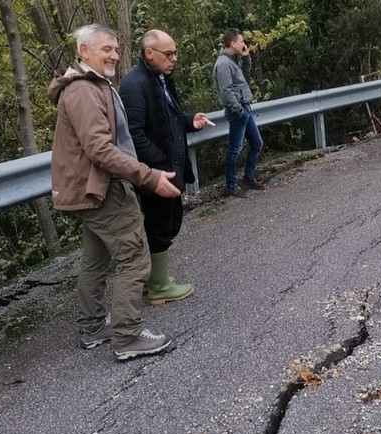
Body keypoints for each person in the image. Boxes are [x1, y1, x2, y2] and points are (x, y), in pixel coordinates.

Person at [48, 24, 177, 360]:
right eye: (106, 49)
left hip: (91, 190)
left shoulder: (92, 85)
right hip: (102, 189)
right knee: (134, 257)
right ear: (84, 51)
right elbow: (100, 149)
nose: (114, 56)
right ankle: (128, 336)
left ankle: (92, 327)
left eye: (117, 49)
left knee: (96, 259)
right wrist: (147, 176)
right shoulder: (82, 91)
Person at [119, 29, 212, 305]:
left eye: (175, 53)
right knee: (159, 226)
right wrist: (158, 163)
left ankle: (155, 279)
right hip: (156, 173)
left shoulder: (161, 79)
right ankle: (158, 286)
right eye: (168, 54)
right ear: (150, 53)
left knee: (171, 222)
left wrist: (189, 121)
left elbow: (167, 119)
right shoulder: (134, 85)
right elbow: (133, 135)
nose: (174, 59)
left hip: (170, 168)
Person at [213, 28, 265, 198]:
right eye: (241, 41)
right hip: (238, 111)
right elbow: (226, 92)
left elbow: (244, 78)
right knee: (234, 149)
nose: (243, 43)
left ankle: (248, 178)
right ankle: (231, 184)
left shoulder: (233, 61)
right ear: (232, 43)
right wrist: (239, 111)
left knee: (257, 144)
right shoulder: (223, 64)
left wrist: (246, 57)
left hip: (245, 108)